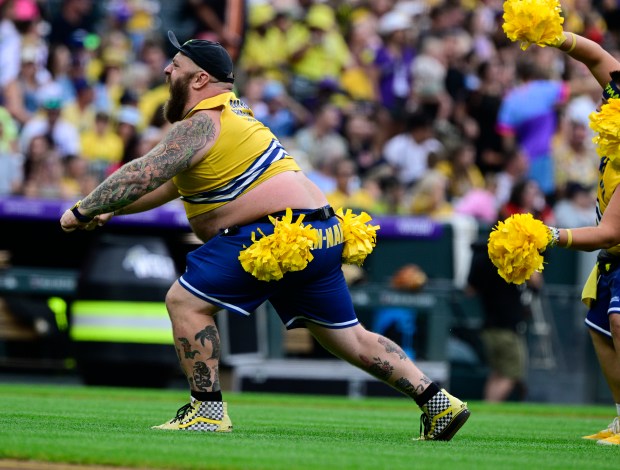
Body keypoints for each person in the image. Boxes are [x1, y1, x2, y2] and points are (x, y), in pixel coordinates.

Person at [59, 30, 470, 441]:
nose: (167, 70)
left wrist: (83, 208)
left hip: (278, 233)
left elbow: (143, 172)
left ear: (200, 79)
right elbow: (169, 185)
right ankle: (438, 402)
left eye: (176, 65)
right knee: (351, 338)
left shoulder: (205, 121)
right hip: (321, 233)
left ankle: (207, 410)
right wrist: (112, 208)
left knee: (184, 302)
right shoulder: (233, 115)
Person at [509, 27, 620, 445]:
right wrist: (553, 35)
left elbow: (609, 230)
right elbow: (595, 56)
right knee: (601, 328)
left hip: (616, 243)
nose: (612, 93)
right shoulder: (617, 105)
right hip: (614, 254)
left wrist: (547, 234)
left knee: (617, 320)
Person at [466, 239, 536, 402]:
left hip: (489, 328)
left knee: (497, 372)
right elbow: (537, 283)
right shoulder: (508, 261)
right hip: (507, 330)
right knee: (512, 374)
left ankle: (487, 410)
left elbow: (469, 289)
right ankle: (491, 408)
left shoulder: (481, 259)